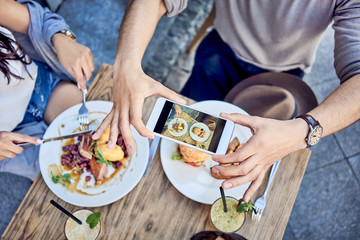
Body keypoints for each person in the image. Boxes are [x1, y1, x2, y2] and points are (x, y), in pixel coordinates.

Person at [94, 0, 360, 202]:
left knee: (249, 160)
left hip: (282, 79)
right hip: (219, 52)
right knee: (178, 139)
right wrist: (126, 64)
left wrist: (303, 131)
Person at [0, 0, 94, 180]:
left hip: (41, 86)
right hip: (13, 137)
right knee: (66, 179)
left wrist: (60, 37)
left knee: (101, 130)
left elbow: (38, 20)